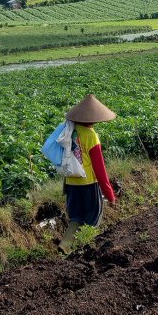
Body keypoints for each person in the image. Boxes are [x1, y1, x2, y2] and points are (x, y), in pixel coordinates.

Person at [58, 94, 117, 254]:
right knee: (93, 219)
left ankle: (65, 245)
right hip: (88, 184)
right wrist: (109, 194)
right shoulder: (91, 136)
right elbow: (100, 169)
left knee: (76, 217)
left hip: (70, 183)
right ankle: (85, 251)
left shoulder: (69, 131)